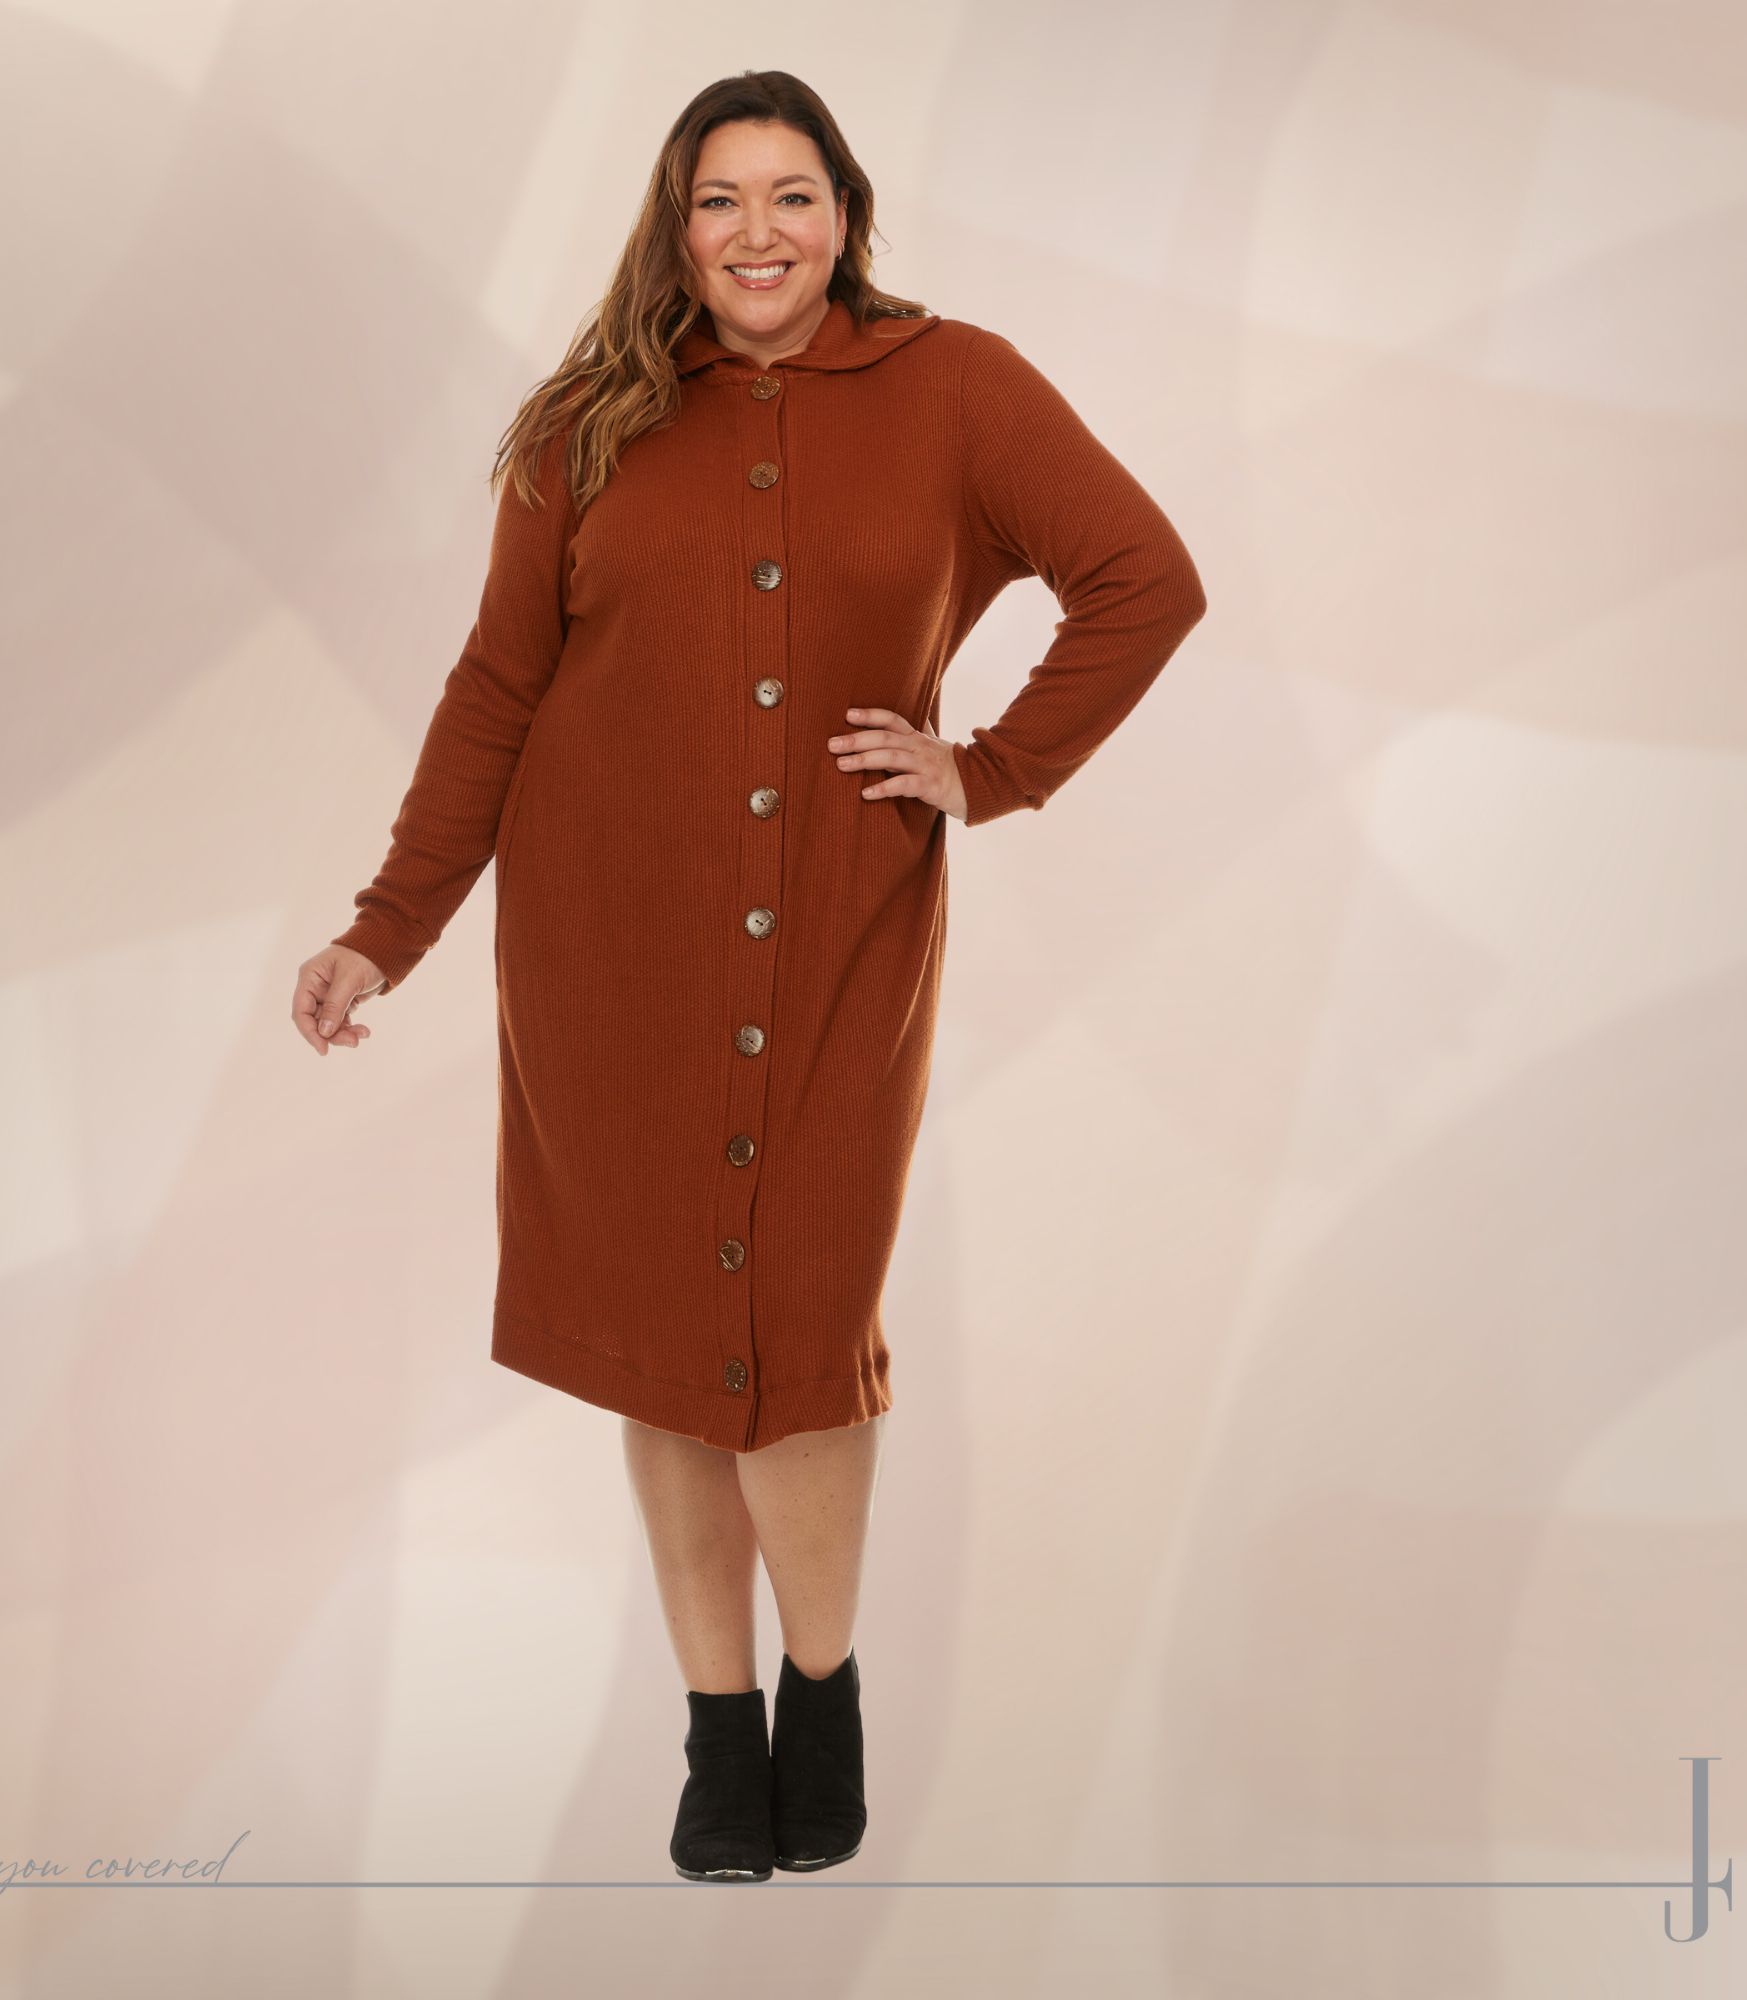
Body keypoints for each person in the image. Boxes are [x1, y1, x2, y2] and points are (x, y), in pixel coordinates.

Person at [289, 70, 1204, 1883]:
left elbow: (1142, 578)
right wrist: (383, 927)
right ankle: (719, 1730)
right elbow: (497, 689)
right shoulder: (587, 423)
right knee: (661, 1338)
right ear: (675, 224)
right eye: (721, 200)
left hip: (843, 938)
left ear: (845, 215)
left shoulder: (957, 387)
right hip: (608, 945)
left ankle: (823, 1689)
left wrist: (991, 769)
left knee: (799, 1335)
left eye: (794, 196)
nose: (759, 233)